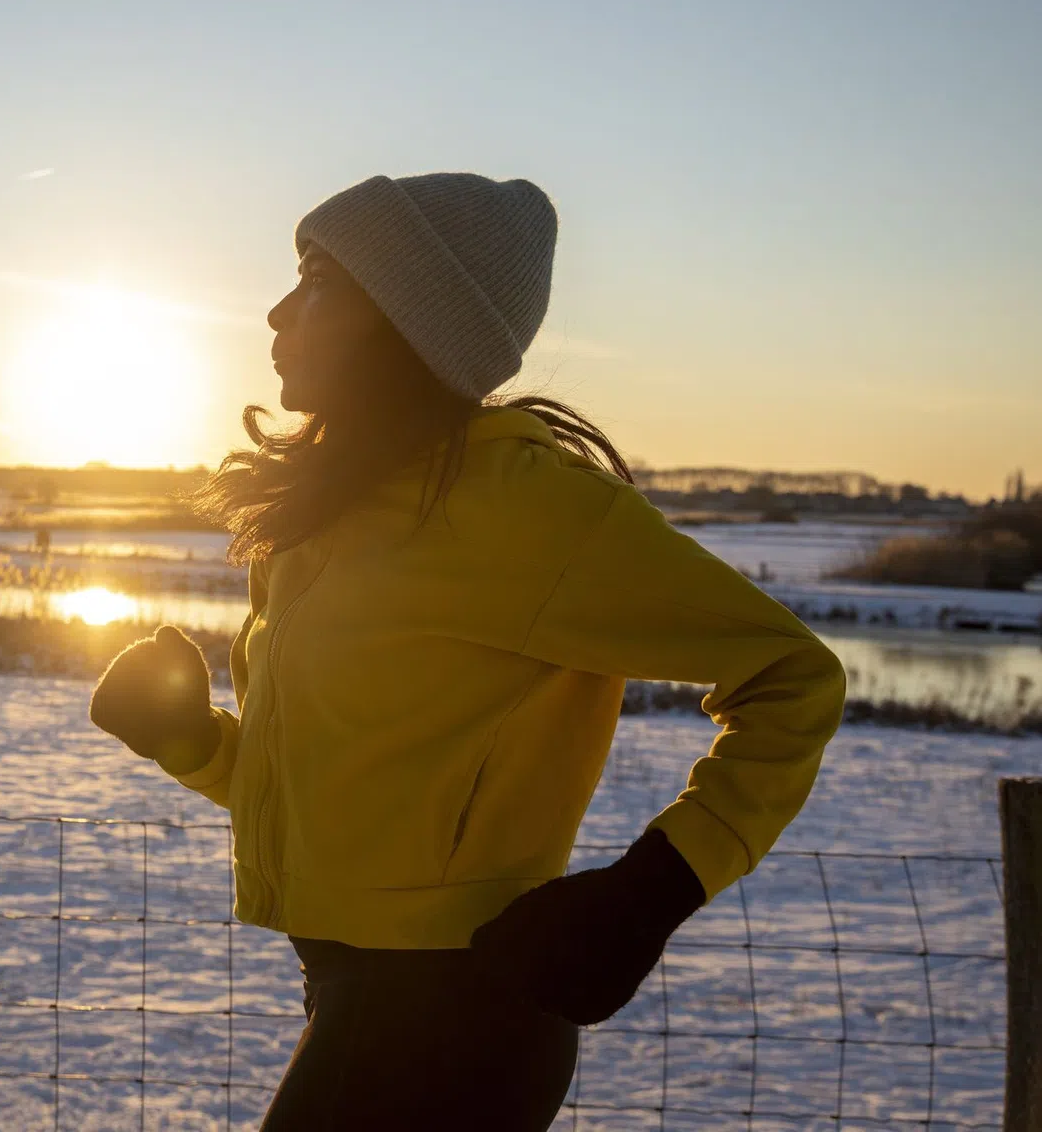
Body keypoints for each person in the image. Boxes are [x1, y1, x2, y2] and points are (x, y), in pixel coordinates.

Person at [88, 172, 846, 1129]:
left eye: (319, 280)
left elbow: (796, 676)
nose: (279, 310)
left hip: (461, 1017)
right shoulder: (328, 516)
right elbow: (351, 792)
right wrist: (193, 742)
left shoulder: (520, 506)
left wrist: (654, 889)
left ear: (406, 318)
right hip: (351, 999)